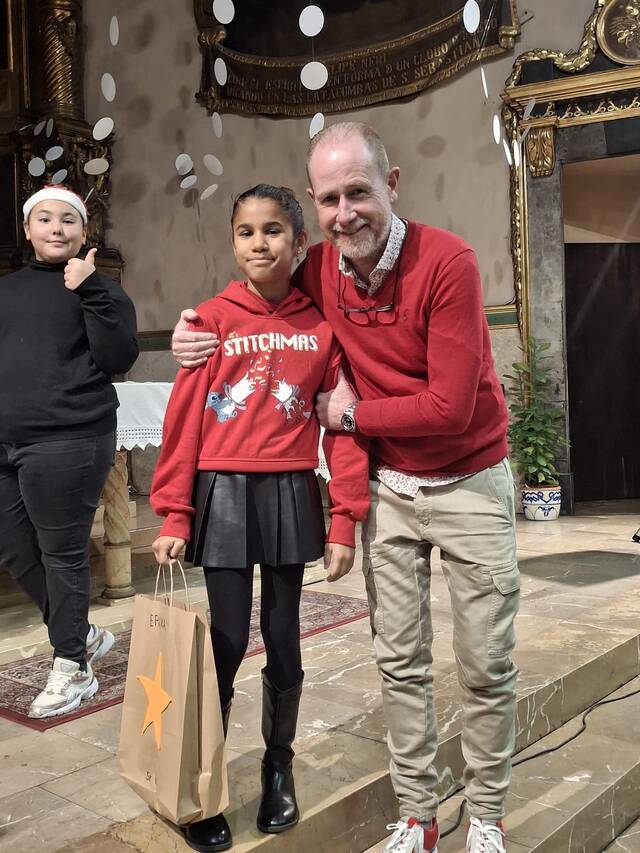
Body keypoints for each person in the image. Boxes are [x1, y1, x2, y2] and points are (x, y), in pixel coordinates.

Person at [171, 124, 520, 853]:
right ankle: (418, 816)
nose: (345, 212)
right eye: (329, 199)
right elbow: (257, 289)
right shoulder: (317, 268)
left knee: (486, 662)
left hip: (468, 480)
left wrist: (353, 419)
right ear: (314, 206)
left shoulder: (447, 262)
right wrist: (191, 331)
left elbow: (450, 407)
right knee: (399, 663)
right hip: (391, 487)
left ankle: (486, 816)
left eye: (358, 192)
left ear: (391, 184)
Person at [150, 184, 369, 853]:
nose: (259, 243)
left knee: (283, 637)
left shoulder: (321, 327)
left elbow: (342, 427)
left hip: (289, 491)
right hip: (221, 492)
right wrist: (174, 511)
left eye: (273, 230)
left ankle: (280, 766)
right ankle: (203, 783)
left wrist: (344, 518)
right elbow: (183, 421)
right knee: (222, 641)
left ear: (299, 243)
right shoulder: (211, 320)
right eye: (245, 232)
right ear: (232, 241)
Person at [0, 185, 139, 719]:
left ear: (84, 231)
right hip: (7, 442)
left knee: (62, 553)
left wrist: (90, 289)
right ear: (28, 228)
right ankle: (80, 632)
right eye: (45, 219)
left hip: (70, 436)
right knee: (15, 548)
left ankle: (73, 665)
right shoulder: (7, 290)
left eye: (68, 220)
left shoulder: (99, 289)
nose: (56, 228)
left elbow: (118, 356)